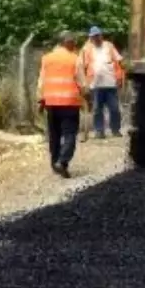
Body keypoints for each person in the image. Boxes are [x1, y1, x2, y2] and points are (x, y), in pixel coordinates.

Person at [38, 30, 86, 178]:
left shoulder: (46, 58)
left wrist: (41, 100)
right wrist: (87, 96)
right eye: (73, 42)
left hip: (51, 103)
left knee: (55, 135)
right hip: (69, 103)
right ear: (66, 42)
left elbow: (41, 82)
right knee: (70, 134)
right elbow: (82, 83)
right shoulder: (74, 59)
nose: (75, 44)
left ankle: (55, 164)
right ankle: (63, 161)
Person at [79, 25, 125, 138]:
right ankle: (99, 131)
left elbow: (119, 62)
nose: (96, 38)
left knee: (114, 109)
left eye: (98, 36)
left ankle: (115, 130)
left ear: (101, 35)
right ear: (90, 38)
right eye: (93, 37)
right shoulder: (87, 49)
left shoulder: (109, 46)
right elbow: (80, 67)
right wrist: (84, 84)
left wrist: (120, 78)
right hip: (95, 84)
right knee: (97, 109)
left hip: (111, 83)